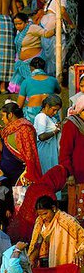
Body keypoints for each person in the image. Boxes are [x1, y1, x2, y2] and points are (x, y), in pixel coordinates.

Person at [28, 196, 84, 268]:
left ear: (53, 208)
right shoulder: (39, 222)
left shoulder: (67, 221)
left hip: (69, 262)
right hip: (49, 262)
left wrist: (80, 252)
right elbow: (36, 243)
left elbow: (82, 237)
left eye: (45, 213)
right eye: (40, 214)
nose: (43, 217)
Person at [0, 102, 42, 186]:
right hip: (7, 173)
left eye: (3, 115)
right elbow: (4, 150)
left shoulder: (25, 128)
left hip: (20, 172)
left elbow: (29, 153)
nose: (2, 119)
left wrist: (28, 172)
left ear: (10, 115)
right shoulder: (7, 129)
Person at [8, 13, 55, 94]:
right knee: (20, 86)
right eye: (15, 24)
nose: (17, 26)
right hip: (22, 63)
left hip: (33, 62)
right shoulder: (19, 32)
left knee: (35, 84)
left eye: (20, 23)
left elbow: (45, 34)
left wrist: (56, 30)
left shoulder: (32, 28)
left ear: (26, 22)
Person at [59, 95, 84, 225]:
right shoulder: (71, 124)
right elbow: (64, 152)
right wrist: (69, 174)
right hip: (78, 176)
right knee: (78, 214)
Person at [40, 0, 74, 77]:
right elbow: (62, 11)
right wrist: (70, 23)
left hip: (44, 22)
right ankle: (56, 75)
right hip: (53, 21)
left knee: (48, 53)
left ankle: (48, 74)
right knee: (59, 52)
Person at [17, 57, 61, 124]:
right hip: (49, 112)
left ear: (31, 68)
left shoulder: (26, 82)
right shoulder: (53, 80)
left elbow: (19, 105)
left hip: (32, 115)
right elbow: (58, 91)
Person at [34, 94, 62, 174]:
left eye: (57, 110)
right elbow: (41, 136)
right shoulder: (41, 117)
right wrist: (55, 131)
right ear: (46, 106)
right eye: (54, 110)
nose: (55, 112)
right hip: (44, 152)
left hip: (50, 152)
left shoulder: (51, 118)